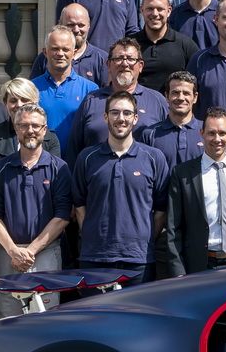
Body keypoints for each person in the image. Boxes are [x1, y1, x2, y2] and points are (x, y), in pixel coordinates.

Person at [72, 91, 172, 286]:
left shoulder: (154, 158)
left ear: (135, 118)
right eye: (115, 112)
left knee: (137, 308)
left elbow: (161, 209)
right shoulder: (87, 158)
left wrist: (143, 239)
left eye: (127, 113)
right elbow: (79, 205)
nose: (121, 118)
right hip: (95, 258)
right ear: (105, 117)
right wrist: (93, 236)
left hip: (139, 260)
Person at [0, 103, 71, 317]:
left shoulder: (59, 168)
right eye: (23, 125)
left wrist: (30, 251)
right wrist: (13, 251)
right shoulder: (1, 168)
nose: (30, 130)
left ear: (44, 130)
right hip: (8, 253)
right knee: (7, 318)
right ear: (16, 129)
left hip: (45, 253)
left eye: (35, 125)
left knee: (45, 318)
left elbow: (62, 216)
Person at [163, 109, 226, 275]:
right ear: (201, 133)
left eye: (222, 133)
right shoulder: (183, 174)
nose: (217, 139)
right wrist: (179, 274)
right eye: (211, 133)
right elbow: (173, 229)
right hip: (200, 266)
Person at [0, 76, 60, 176]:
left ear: (35, 102)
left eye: (24, 100)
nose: (19, 105)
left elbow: (54, 174)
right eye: (13, 101)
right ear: (5, 103)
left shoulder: (50, 139)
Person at [33, 27, 100, 151]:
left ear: (74, 53)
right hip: (41, 160)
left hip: (76, 160)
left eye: (65, 49)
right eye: (55, 49)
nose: (60, 54)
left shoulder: (90, 90)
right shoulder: (32, 88)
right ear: (45, 52)